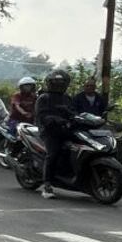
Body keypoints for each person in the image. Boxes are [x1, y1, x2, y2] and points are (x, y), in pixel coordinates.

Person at [34, 69, 76, 200]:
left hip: (66, 130)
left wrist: (80, 118)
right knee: (53, 154)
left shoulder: (67, 98)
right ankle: (47, 184)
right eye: (55, 83)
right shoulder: (44, 98)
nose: (58, 85)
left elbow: (73, 112)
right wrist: (54, 119)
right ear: (50, 83)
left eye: (61, 83)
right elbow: (41, 115)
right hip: (50, 131)